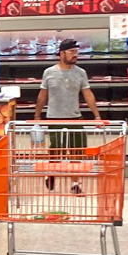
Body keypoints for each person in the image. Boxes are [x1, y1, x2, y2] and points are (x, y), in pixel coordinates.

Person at [34, 39, 101, 194]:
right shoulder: (49, 72)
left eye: (76, 52)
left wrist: (97, 116)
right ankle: (51, 174)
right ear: (62, 53)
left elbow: (88, 94)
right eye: (71, 52)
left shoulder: (81, 73)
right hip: (54, 118)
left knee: (77, 152)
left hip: (75, 117)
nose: (75, 55)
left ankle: (75, 184)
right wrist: (37, 115)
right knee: (55, 150)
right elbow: (43, 94)